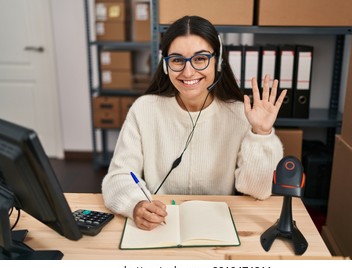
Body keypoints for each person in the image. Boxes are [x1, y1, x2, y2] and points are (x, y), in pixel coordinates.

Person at [102, 15, 287, 231]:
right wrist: (135, 204)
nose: (188, 72)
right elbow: (119, 176)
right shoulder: (144, 109)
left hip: (217, 225)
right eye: (177, 60)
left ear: (218, 63)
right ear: (165, 66)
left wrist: (261, 134)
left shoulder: (240, 114)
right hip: (161, 225)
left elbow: (258, 191)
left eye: (200, 59)